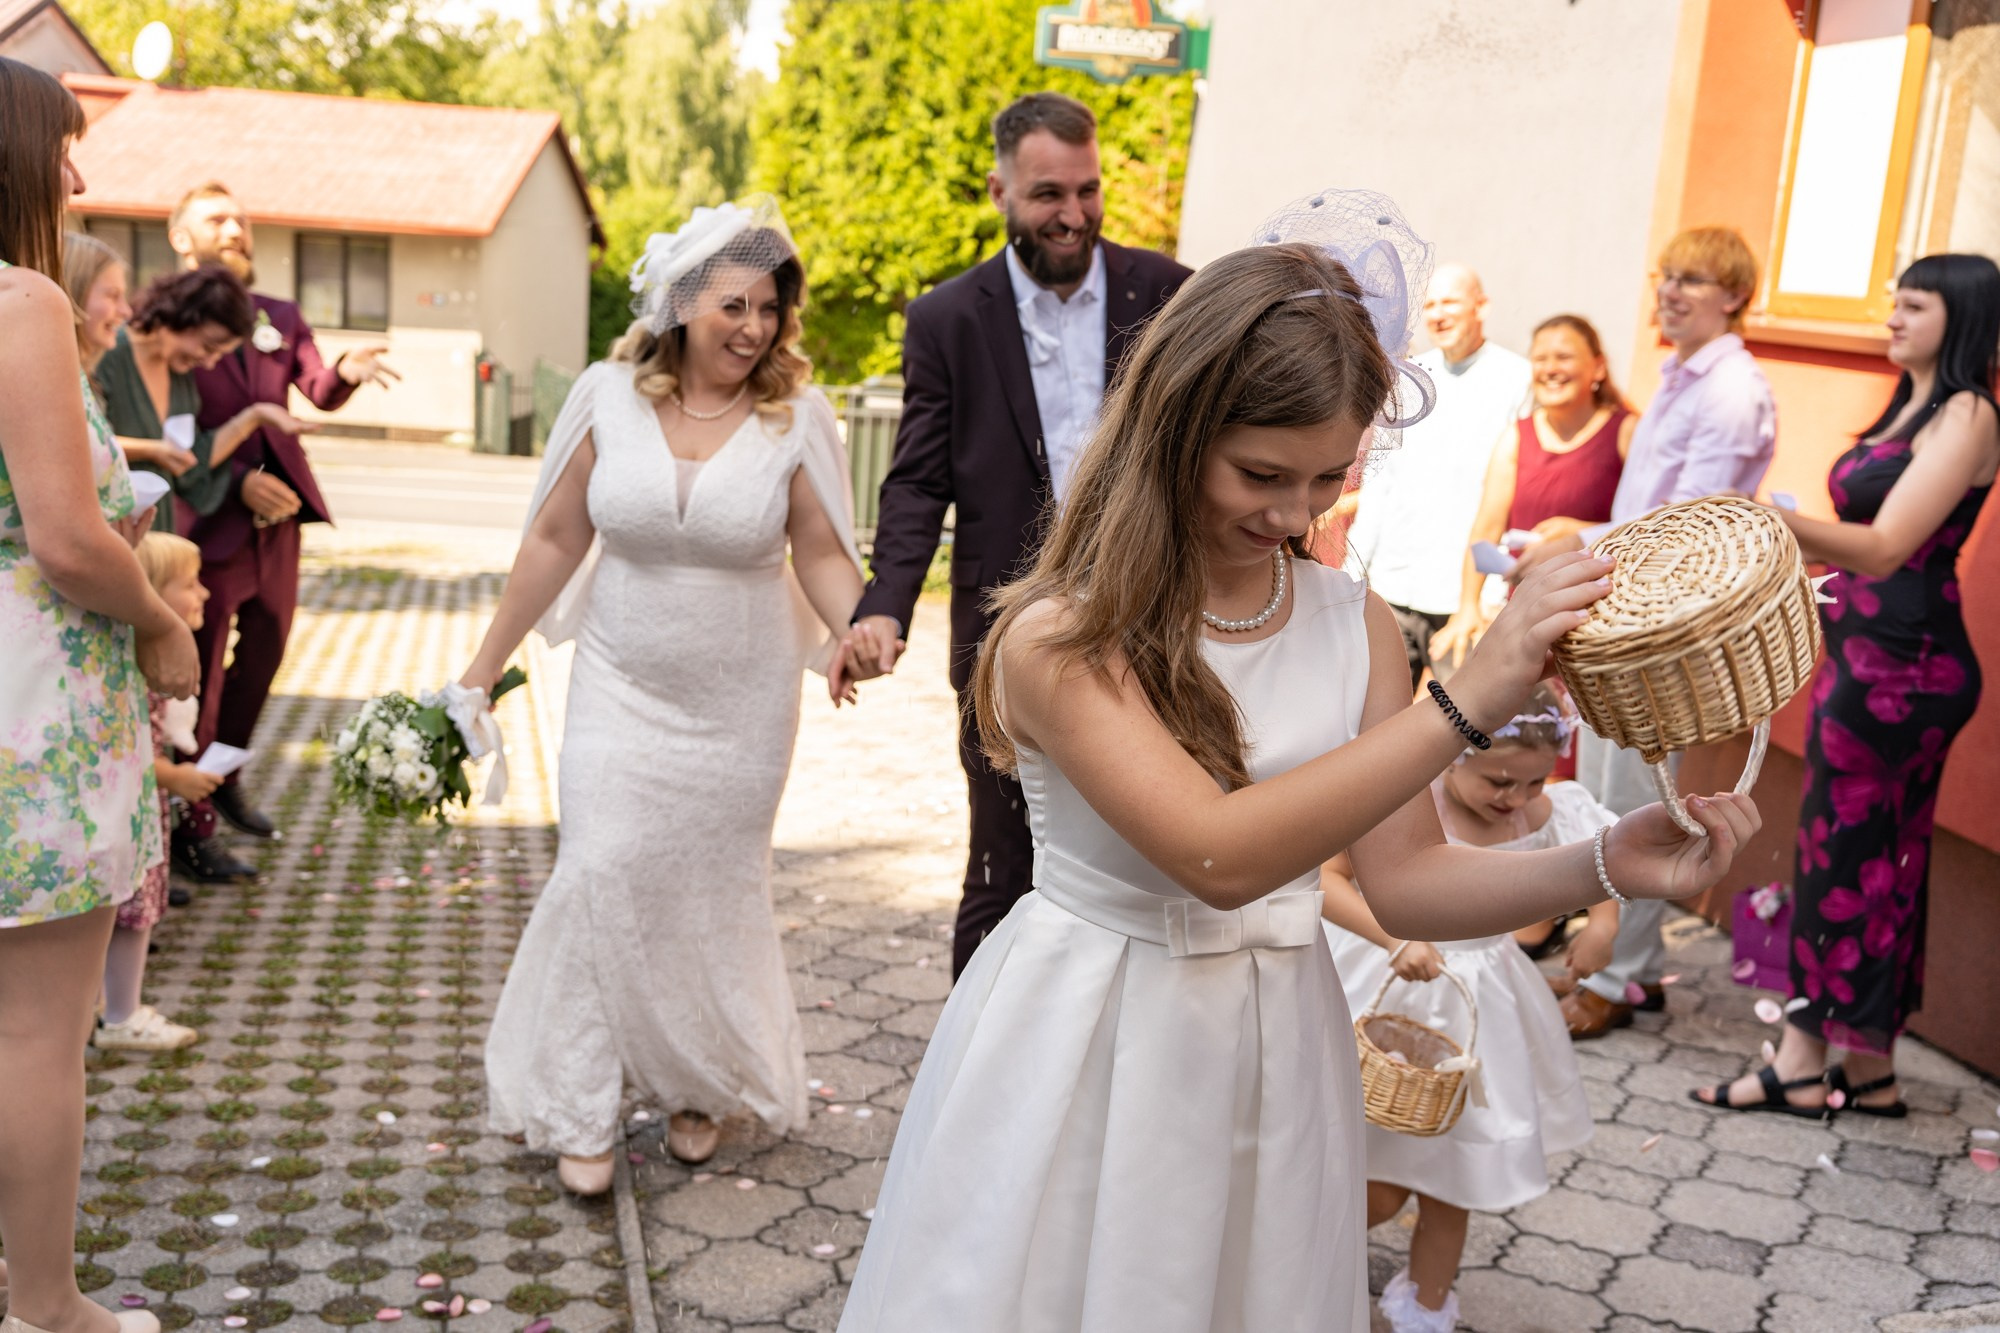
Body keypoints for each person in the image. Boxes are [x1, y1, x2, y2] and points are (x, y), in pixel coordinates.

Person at [834, 210, 1760, 1332]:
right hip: (1093, 1032)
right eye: (1261, 473)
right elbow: (1216, 854)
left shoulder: (1349, 621)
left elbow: (1406, 882)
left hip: (1276, 1039)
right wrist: (1471, 693)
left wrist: (1607, 859)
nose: (1291, 515)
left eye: (1326, 480)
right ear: (1173, 431)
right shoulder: (1060, 635)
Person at [465, 198, 875, 1196]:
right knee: (602, 871)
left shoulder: (795, 417)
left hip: (739, 705)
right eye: (733, 304)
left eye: (769, 308)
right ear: (681, 301)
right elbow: (553, 542)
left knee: (705, 889)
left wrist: (857, 625)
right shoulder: (608, 396)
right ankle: (578, 1100)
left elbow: (818, 549)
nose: (752, 328)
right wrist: (480, 667)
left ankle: (697, 1084)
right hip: (617, 685)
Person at [843, 92, 1192, 978]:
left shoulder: (1170, 293)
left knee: (1143, 857)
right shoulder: (947, 320)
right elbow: (919, 479)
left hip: (1155, 620)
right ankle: (979, 1085)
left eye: (1087, 190)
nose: (1072, 215)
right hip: (1007, 636)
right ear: (999, 189)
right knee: (1004, 864)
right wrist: (884, 606)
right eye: (1047, 194)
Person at [1693, 254, 1999, 1118]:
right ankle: (1867, 1071)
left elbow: (1883, 546)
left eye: (1914, 304)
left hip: (1904, 673)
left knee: (1845, 856)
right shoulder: (1914, 405)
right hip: (1870, 659)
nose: (1891, 317)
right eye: (1893, 302)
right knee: (1876, 862)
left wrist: (1769, 517)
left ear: (1964, 316)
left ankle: (1799, 1060)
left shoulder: (1970, 412)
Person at [0, 54, 198, 1333]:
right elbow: (69, 541)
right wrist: (162, 628)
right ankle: (46, 1303)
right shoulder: (17, 303)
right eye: (64, 147)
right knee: (34, 1033)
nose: (77, 174)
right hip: (31, 707)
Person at [1513, 226, 1776, 1038]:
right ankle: (1623, 958)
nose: (1670, 290)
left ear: (1734, 293)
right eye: (1667, 276)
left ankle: (1619, 979)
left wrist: (1577, 546)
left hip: (1660, 633)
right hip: (1628, 614)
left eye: (1693, 279)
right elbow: (1643, 517)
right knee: (1609, 793)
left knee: (1634, 802)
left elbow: (1689, 531)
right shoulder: (1682, 375)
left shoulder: (1732, 388)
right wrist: (1581, 540)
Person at [1318, 681, 1615, 1332]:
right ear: (1454, 755)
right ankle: (1308, 1275)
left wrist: (1601, 924)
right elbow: (1326, 878)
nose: (1514, 799)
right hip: (1385, 979)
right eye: (1499, 781)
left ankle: (1424, 1308)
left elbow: (1600, 860)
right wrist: (1395, 934)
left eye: (1533, 784)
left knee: (1454, 1177)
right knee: (1365, 1172)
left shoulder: (1544, 814)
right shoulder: (1408, 800)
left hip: (1481, 1006)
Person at [171, 181, 397, 878]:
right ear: (182, 236)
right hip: (206, 525)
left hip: (279, 527)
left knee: (261, 663)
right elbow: (170, 426)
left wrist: (347, 372)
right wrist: (237, 481)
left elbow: (316, 388)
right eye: (217, 219)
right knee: (198, 679)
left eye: (241, 218)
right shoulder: (165, 317)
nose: (236, 228)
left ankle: (226, 779)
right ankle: (189, 826)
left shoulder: (279, 314)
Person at [1344, 264, 1530, 687]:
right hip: (1393, 583)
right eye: (1430, 305)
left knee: (1456, 727)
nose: (1438, 314)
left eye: (1450, 302)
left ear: (1481, 307)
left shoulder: (1517, 379)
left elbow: (1512, 498)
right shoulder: (1407, 380)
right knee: (1373, 719)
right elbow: (1381, 483)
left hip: (1464, 594)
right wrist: (1354, 574)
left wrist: (1489, 594)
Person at [1430, 314, 1634, 672]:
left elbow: (1648, 523)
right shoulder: (1516, 437)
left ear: (1598, 367)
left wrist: (1580, 532)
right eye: (1540, 359)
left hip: (1597, 624)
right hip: (1527, 621)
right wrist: (1468, 608)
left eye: (1564, 357)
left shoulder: (1626, 432)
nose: (1550, 368)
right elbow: (1485, 531)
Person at [94, 533, 214, 1053]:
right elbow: (129, 748)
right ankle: (116, 1014)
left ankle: (112, 1010)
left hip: (136, 811)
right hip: (128, 811)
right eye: (189, 584)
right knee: (126, 914)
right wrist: (176, 778)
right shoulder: (134, 669)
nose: (205, 594)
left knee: (132, 914)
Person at [93, 262, 303, 535]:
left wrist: (255, 417)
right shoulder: (109, 355)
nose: (209, 362)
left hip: (158, 538)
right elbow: (85, 440)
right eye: (208, 347)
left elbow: (192, 461)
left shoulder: (180, 377)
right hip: (109, 532)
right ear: (181, 316)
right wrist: (152, 451)